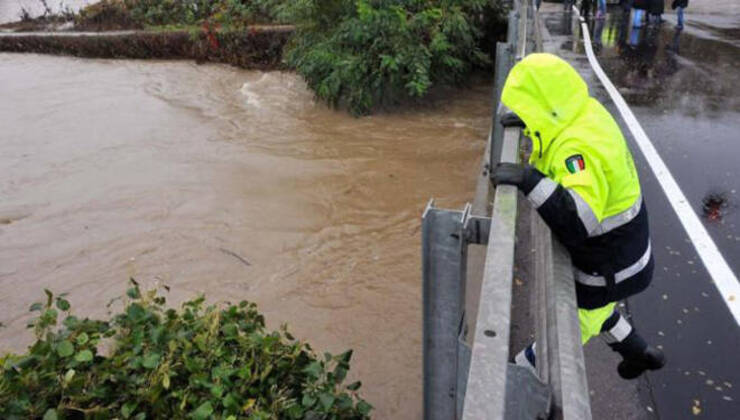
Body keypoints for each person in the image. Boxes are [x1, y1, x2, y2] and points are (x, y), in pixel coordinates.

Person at [491, 53, 665, 379]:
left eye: (528, 110)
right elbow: (553, 139)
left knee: (570, 327)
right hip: (623, 254)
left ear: (546, 106)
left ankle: (516, 379)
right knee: (599, 312)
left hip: (611, 265)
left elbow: (578, 220)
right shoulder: (582, 113)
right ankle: (640, 353)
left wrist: (529, 180)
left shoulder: (577, 148)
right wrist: (527, 121)